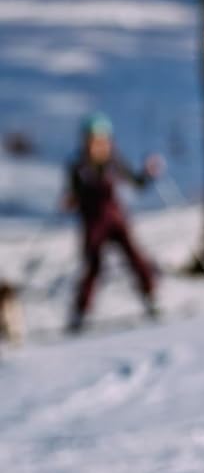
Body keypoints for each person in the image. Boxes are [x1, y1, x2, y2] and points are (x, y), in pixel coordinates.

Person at [64, 113, 161, 331]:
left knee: (135, 257)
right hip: (93, 224)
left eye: (103, 140)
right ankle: (79, 314)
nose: (99, 146)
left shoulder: (114, 161)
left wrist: (148, 172)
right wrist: (69, 200)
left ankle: (151, 299)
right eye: (94, 140)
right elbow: (72, 194)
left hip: (116, 220)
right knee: (93, 267)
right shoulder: (78, 166)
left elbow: (137, 183)